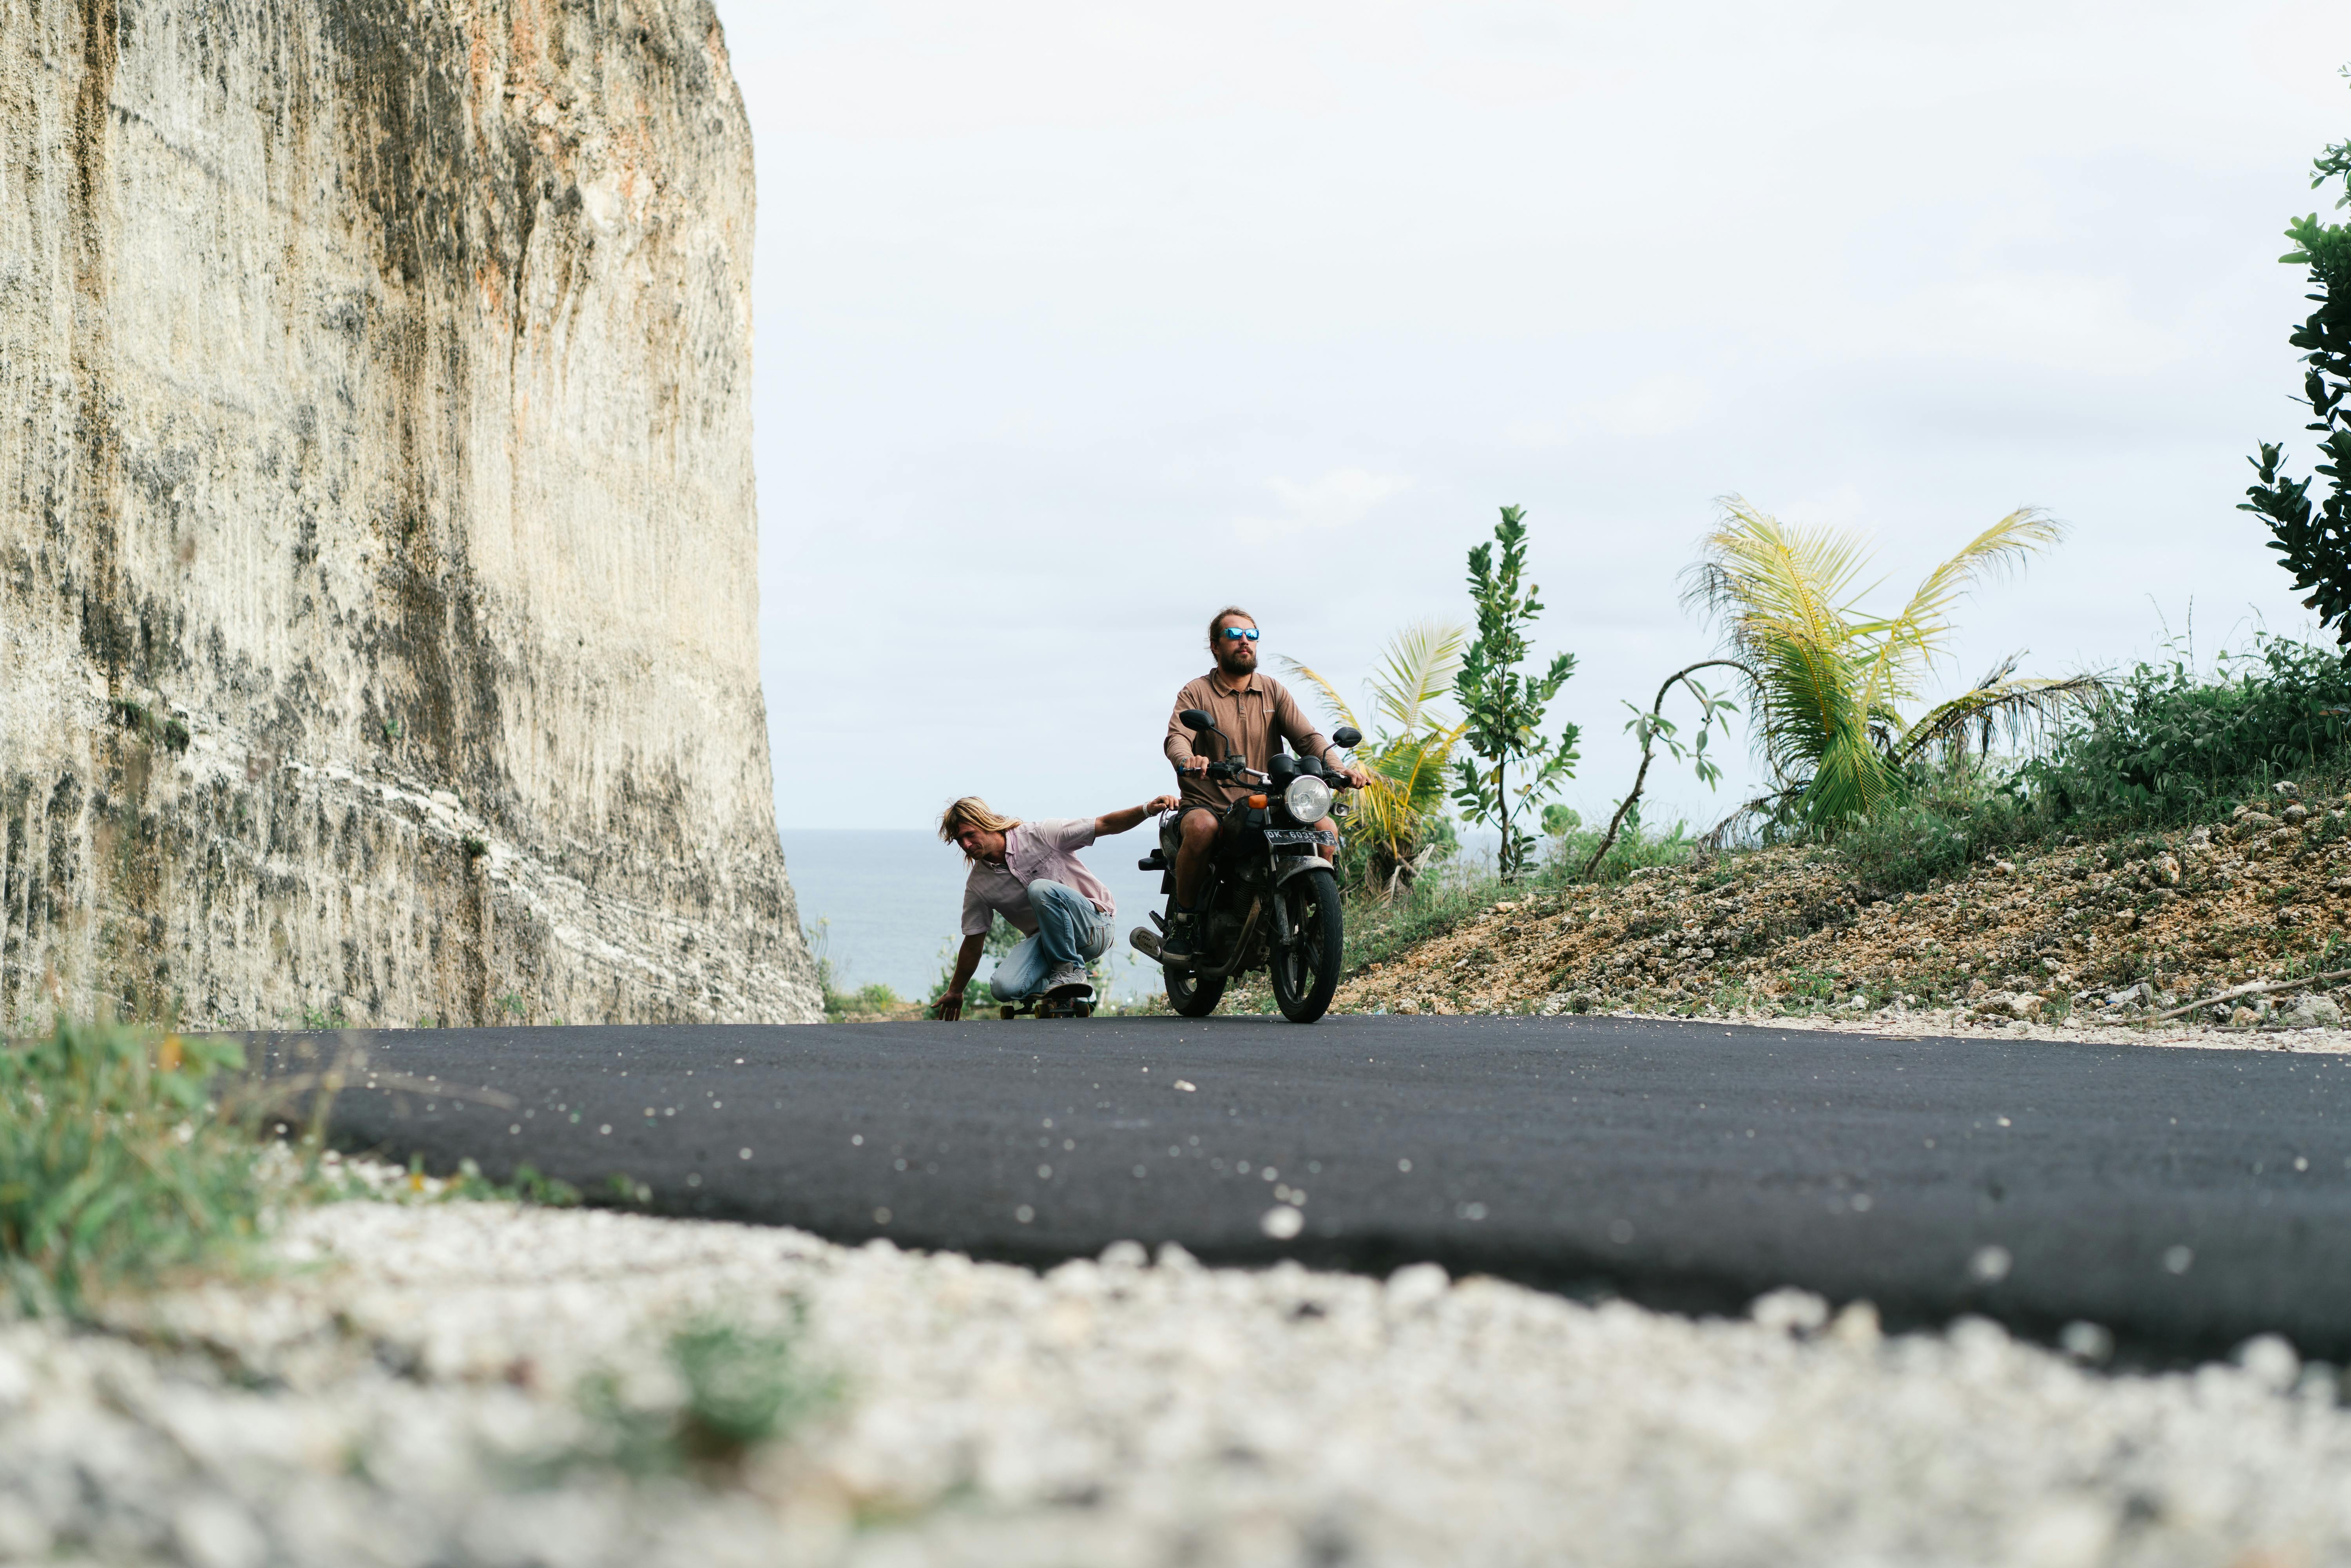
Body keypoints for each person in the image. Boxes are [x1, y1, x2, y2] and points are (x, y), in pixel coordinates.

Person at [1159, 606, 1369, 964]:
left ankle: (1309, 921)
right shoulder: (1196, 693)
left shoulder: (1273, 691)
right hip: (1212, 804)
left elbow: (1308, 739)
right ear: (1215, 646)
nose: (1245, 641)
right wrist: (1187, 759)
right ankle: (1185, 923)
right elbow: (1178, 737)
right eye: (1234, 635)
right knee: (1201, 827)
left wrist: (1339, 767)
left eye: (1251, 635)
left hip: (1268, 801)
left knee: (1325, 827)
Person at [932, 793, 1178, 1020]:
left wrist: (1147, 809)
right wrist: (956, 991)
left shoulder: (1040, 834)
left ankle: (1069, 970)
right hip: (1047, 943)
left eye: (970, 835)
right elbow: (973, 942)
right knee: (1003, 988)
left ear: (986, 824)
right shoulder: (978, 886)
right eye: (959, 840)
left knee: (1040, 888)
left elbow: (1104, 824)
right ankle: (1055, 985)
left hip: (1094, 926)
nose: (965, 845)